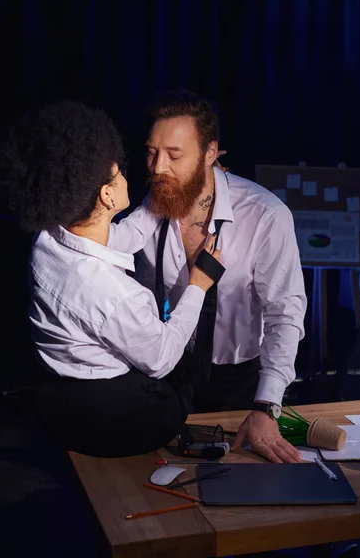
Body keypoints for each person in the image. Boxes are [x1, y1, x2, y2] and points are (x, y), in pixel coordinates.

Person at [0, 100, 223, 458]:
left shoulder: (47, 239)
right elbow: (161, 358)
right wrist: (198, 284)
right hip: (102, 415)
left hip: (54, 399)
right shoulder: (115, 293)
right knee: (172, 394)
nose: (130, 174)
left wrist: (158, 198)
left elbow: (118, 237)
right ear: (106, 194)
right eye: (117, 174)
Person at [129, 90, 308, 464]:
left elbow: (284, 315)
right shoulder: (145, 212)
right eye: (151, 152)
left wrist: (266, 406)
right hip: (168, 372)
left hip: (241, 381)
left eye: (174, 155)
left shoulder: (265, 215)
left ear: (211, 153)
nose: (158, 167)